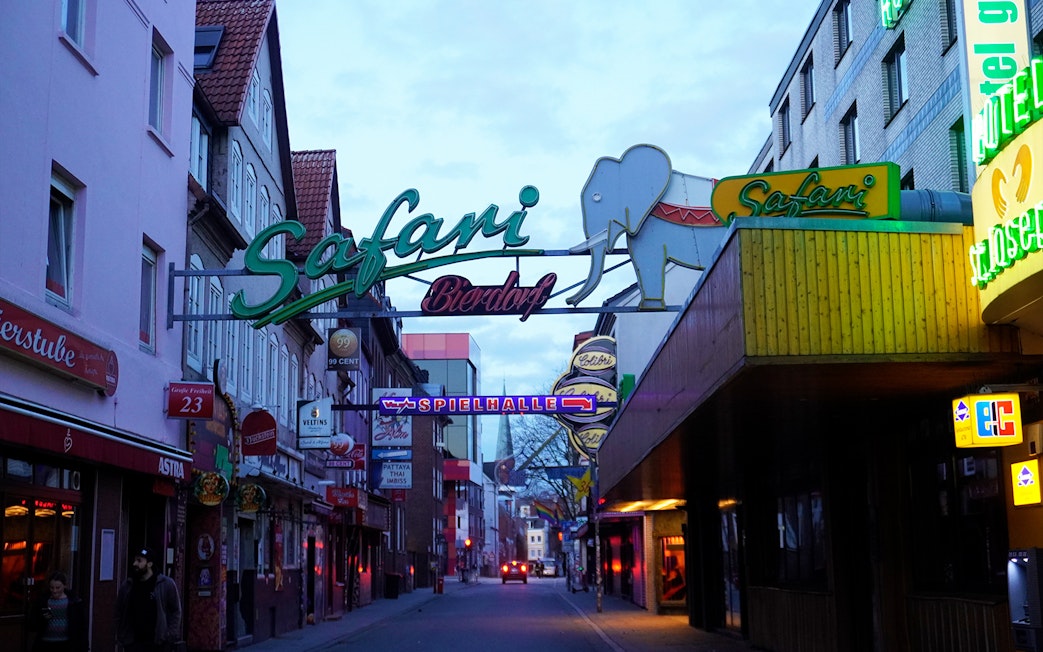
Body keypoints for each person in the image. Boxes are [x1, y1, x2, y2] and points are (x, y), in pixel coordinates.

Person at [115, 547, 182, 652]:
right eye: (134, 560)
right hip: (133, 643)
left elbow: (176, 611)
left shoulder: (165, 584)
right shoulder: (128, 586)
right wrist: (122, 635)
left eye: (139, 561)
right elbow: (119, 611)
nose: (135, 564)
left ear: (149, 564)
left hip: (158, 643)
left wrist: (169, 635)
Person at [28, 571, 87, 652]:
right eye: (52, 588)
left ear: (64, 586)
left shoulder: (74, 602)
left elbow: (81, 626)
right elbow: (35, 621)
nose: (54, 591)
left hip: (66, 643)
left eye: (58, 587)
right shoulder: (44, 601)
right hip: (45, 642)